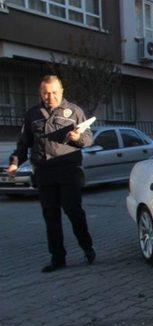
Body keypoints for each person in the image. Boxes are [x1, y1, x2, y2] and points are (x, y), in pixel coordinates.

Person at [4, 75, 95, 273]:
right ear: (40, 93)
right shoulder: (32, 114)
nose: (50, 96)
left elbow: (89, 139)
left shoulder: (74, 111)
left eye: (54, 92)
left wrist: (78, 138)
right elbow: (23, 144)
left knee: (74, 212)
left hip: (68, 171)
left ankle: (87, 247)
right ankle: (58, 258)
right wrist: (14, 163)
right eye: (46, 93)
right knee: (51, 216)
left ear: (61, 91)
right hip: (44, 172)